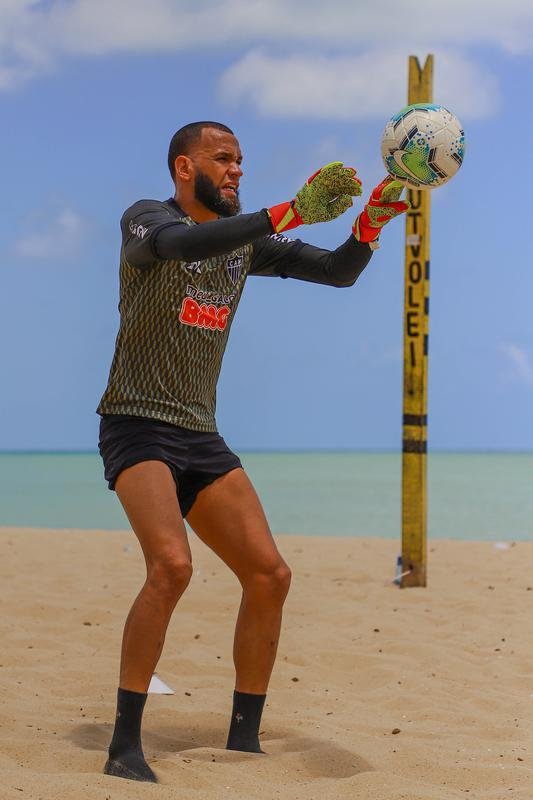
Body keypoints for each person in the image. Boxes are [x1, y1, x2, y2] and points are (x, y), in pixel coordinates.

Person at [96, 120, 409, 783]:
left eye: (241, 160)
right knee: (172, 567)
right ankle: (124, 745)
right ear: (185, 167)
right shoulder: (148, 220)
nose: (236, 169)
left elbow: (335, 272)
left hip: (199, 433)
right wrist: (290, 208)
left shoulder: (248, 244)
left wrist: (370, 224)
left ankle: (244, 740)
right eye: (223, 159)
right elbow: (183, 244)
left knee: (270, 575)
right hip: (136, 423)